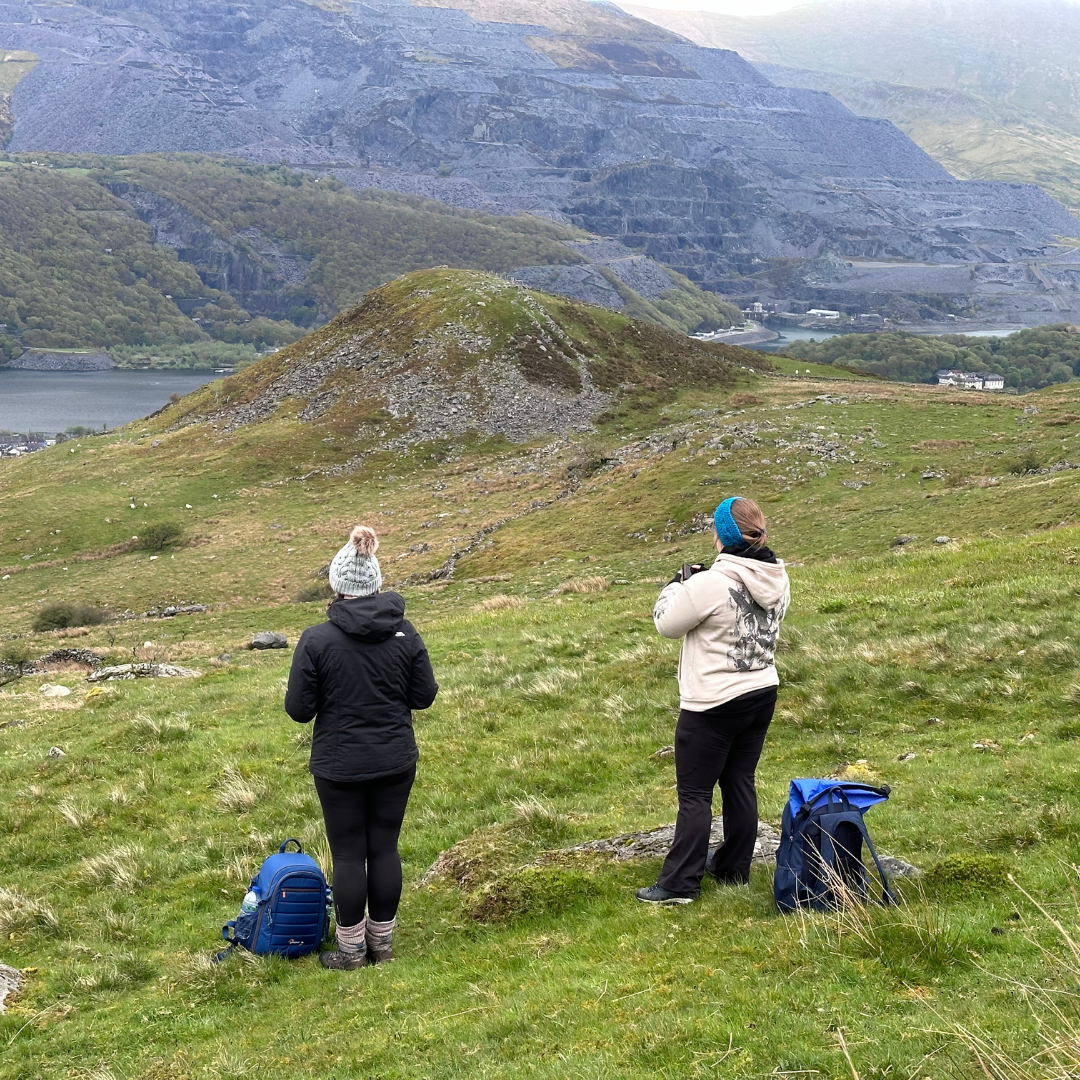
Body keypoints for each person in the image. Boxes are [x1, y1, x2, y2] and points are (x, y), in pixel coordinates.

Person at [285, 525, 438, 968]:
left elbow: (299, 709)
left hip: (339, 765)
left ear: (337, 586)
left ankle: (350, 952)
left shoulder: (317, 640)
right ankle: (382, 948)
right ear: (375, 582)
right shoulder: (405, 632)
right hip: (395, 758)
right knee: (385, 848)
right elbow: (423, 696)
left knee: (349, 852)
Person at [637, 497, 790, 905]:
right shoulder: (777, 574)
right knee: (740, 781)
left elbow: (666, 624)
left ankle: (679, 884)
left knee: (695, 794)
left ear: (722, 535)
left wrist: (675, 584)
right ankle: (732, 868)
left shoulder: (710, 582)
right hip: (761, 690)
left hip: (712, 703)